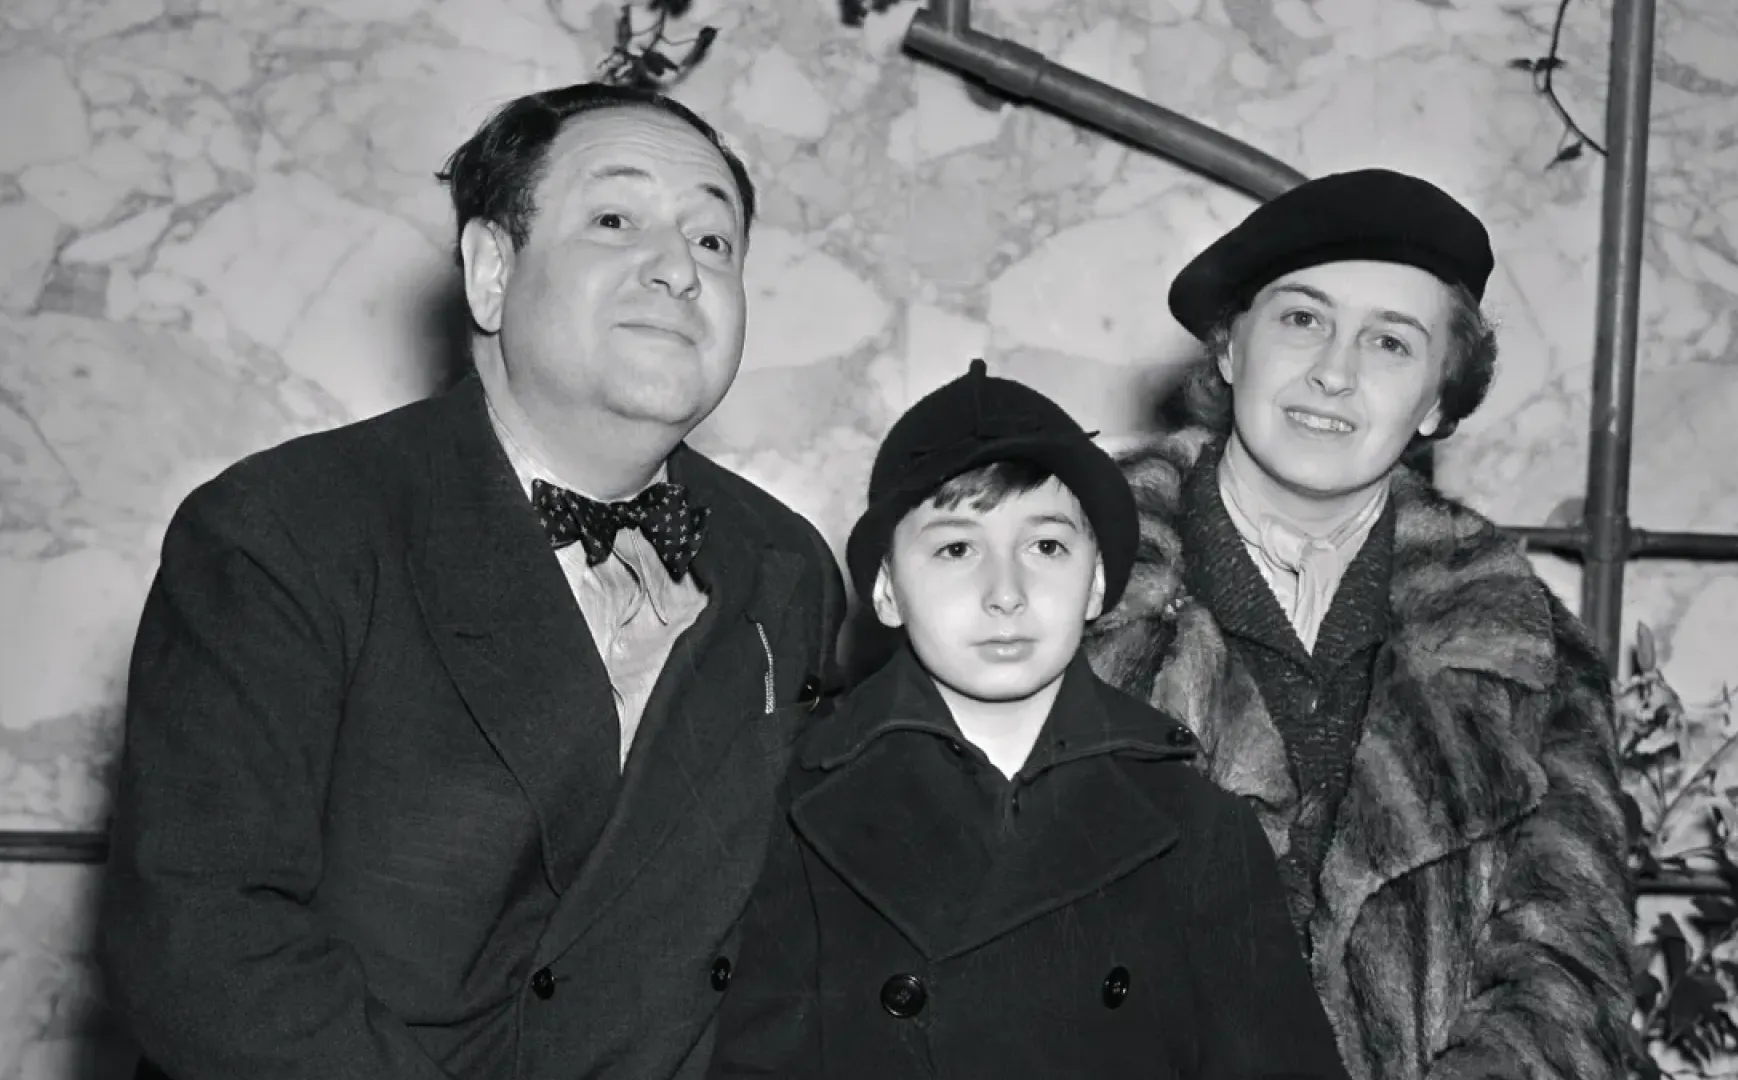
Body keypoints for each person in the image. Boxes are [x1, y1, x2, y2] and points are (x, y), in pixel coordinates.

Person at [98, 82, 845, 1080]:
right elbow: (207, 943)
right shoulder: (285, 530)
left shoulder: (787, 564)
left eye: (714, 242)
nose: (676, 270)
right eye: (616, 220)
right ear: (492, 271)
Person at [1084, 169, 1638, 1080]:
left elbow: (1567, 973)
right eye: (1302, 319)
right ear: (1229, 349)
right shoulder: (1062, 585)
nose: (1334, 372)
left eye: (1390, 342)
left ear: (1437, 403)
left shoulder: (1531, 650)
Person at [707, 359, 1350, 1080]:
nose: (1005, 592)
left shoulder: (1200, 828)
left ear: (1097, 582)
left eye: (1045, 546)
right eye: (956, 548)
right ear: (887, 591)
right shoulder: (792, 803)